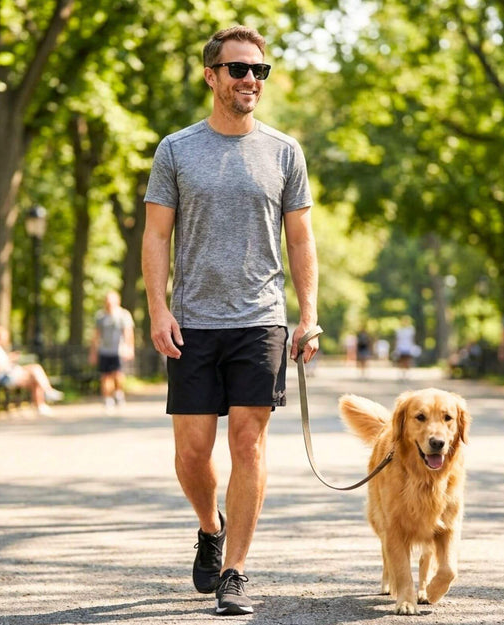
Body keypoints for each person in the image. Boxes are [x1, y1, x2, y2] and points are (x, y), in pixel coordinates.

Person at [142, 25, 319, 616]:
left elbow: (301, 240)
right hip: (192, 320)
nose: (250, 80)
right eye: (239, 70)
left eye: (259, 72)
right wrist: (158, 309)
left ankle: (236, 572)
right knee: (193, 453)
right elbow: (156, 234)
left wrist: (308, 314)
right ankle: (208, 526)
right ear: (211, 75)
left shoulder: (285, 152)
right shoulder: (176, 149)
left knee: (249, 442)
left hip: (260, 319)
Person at [0, 325, 63, 416]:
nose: (7, 339)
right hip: (4, 378)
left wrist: (10, 359)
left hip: (10, 374)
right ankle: (46, 394)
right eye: (5, 336)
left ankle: (42, 402)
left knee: (36, 372)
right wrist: (9, 359)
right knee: (35, 372)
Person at [89, 291, 135, 411]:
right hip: (104, 350)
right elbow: (96, 335)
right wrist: (93, 352)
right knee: (105, 376)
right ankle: (107, 399)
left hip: (118, 350)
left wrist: (129, 347)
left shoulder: (123, 315)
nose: (109, 303)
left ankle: (119, 393)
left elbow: (128, 332)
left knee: (118, 375)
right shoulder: (101, 316)